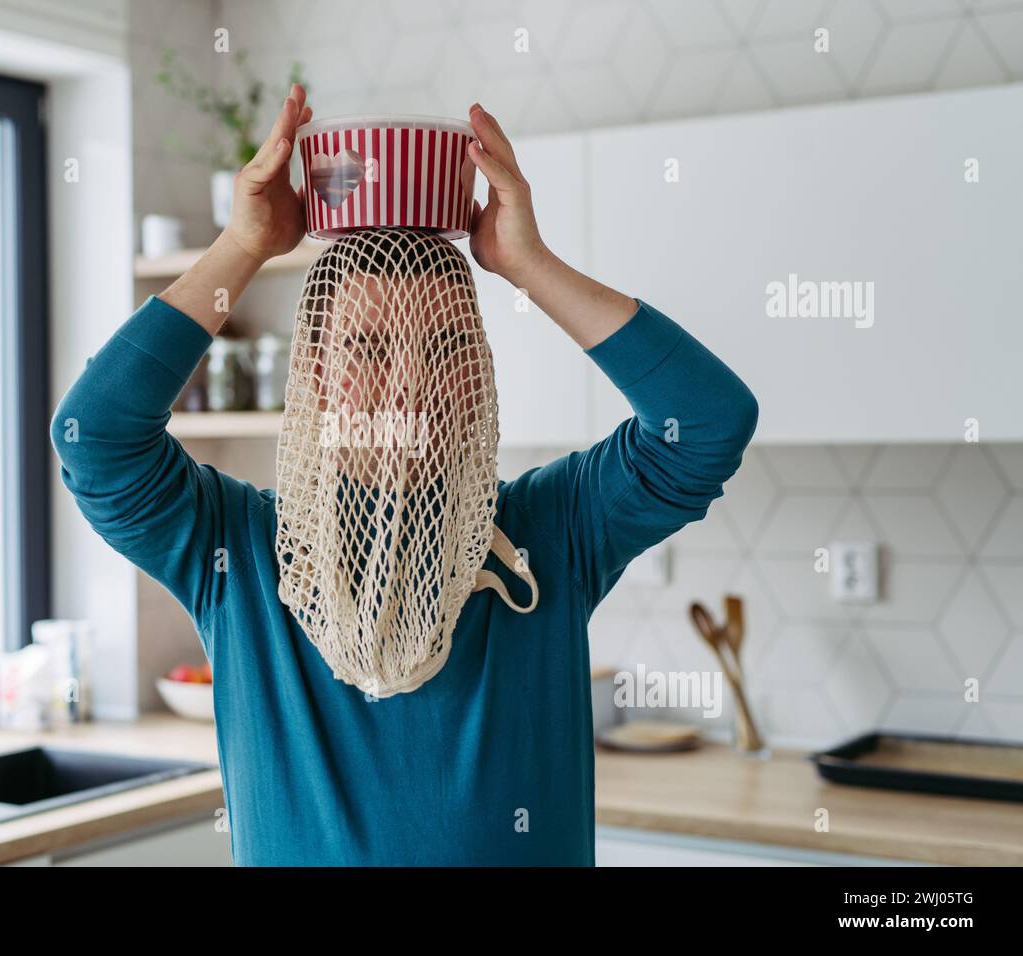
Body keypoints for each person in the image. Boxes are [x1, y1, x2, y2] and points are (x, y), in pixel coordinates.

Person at [50, 84, 759, 865]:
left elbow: (706, 424)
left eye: (450, 347)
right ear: (313, 369)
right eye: (372, 351)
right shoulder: (238, 552)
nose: (413, 387)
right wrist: (242, 246)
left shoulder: (552, 533)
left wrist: (528, 264)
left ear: (482, 370)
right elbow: (95, 439)